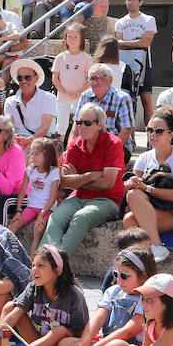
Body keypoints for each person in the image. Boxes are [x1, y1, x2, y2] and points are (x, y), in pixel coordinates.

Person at [42, 103, 125, 255]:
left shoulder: (113, 144)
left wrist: (78, 179)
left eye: (87, 123)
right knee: (55, 218)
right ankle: (44, 261)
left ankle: (57, 263)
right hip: (79, 196)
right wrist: (90, 175)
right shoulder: (74, 145)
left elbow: (108, 183)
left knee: (81, 218)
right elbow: (65, 182)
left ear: (100, 125)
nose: (82, 127)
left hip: (109, 199)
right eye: (79, 122)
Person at [123, 106, 173, 262]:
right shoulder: (144, 158)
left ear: (172, 133)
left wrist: (147, 188)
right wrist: (131, 183)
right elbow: (135, 192)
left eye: (159, 131)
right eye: (150, 130)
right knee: (129, 215)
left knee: (132, 217)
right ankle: (148, 255)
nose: (153, 134)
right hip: (151, 208)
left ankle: (153, 248)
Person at [114, 0, 157, 123]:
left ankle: (151, 136)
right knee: (126, 99)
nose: (131, 2)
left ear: (140, 2)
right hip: (124, 66)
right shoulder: (120, 22)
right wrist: (137, 42)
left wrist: (124, 43)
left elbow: (146, 43)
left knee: (146, 100)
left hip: (144, 63)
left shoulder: (149, 19)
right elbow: (118, 45)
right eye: (128, 0)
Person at [75, 64, 134, 150]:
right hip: (89, 145)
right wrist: (71, 148)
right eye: (91, 79)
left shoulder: (122, 98)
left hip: (116, 145)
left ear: (110, 79)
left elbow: (126, 131)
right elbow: (76, 126)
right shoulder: (85, 96)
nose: (95, 82)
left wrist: (108, 151)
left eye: (99, 78)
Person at [6, 57, 56, 148]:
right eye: (20, 78)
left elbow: (44, 128)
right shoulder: (10, 101)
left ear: (36, 78)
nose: (23, 81)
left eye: (27, 77)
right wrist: (16, 140)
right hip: (18, 143)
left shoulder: (49, 98)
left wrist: (29, 141)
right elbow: (9, 126)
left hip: (42, 143)